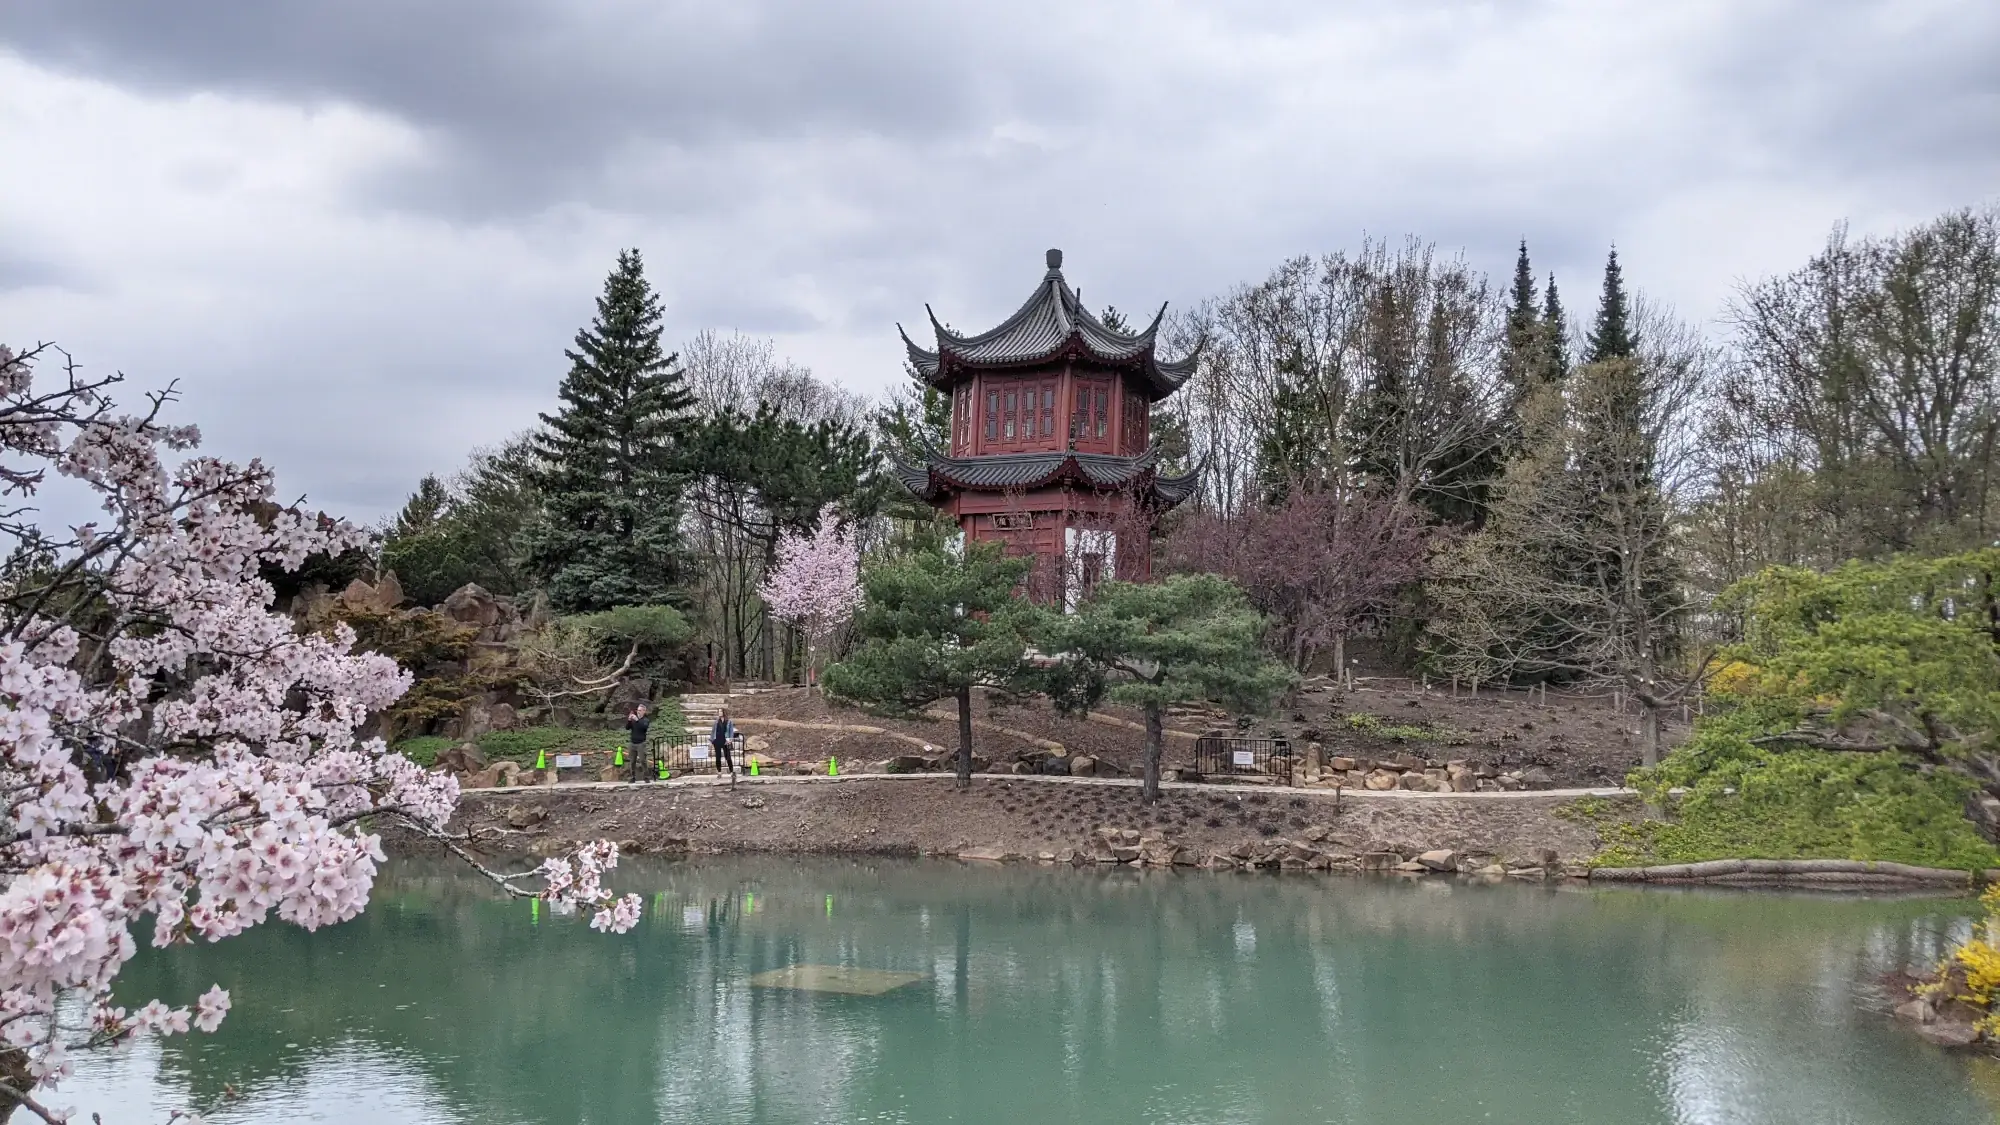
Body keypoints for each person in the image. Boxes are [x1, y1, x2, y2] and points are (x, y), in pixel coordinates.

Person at [710, 706, 737, 782]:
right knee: (718, 757)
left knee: (728, 756)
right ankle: (719, 772)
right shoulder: (716, 722)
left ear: (724, 712)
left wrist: (730, 739)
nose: (719, 713)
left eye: (721, 711)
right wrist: (712, 740)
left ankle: (731, 772)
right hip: (717, 741)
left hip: (725, 740)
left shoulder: (728, 721)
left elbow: (731, 731)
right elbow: (713, 731)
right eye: (718, 712)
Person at [625, 704, 650, 780]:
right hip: (632, 743)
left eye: (639, 710)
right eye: (637, 710)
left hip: (641, 743)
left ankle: (646, 777)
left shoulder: (645, 720)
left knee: (643, 760)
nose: (638, 712)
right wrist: (629, 720)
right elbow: (627, 728)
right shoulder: (634, 720)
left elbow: (644, 728)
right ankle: (632, 777)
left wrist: (637, 720)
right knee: (632, 761)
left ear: (644, 711)